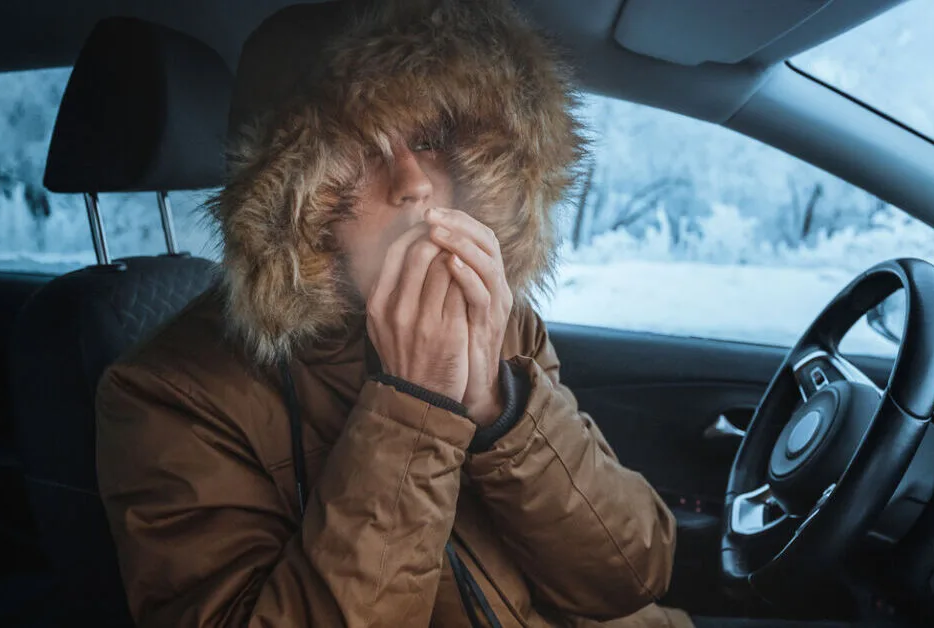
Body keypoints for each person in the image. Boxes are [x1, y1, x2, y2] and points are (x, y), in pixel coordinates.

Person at [94, 0, 699, 626]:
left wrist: (500, 406)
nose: (413, 182)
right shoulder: (168, 395)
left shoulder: (496, 316)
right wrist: (414, 409)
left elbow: (635, 572)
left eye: (431, 141)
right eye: (360, 150)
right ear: (287, 194)